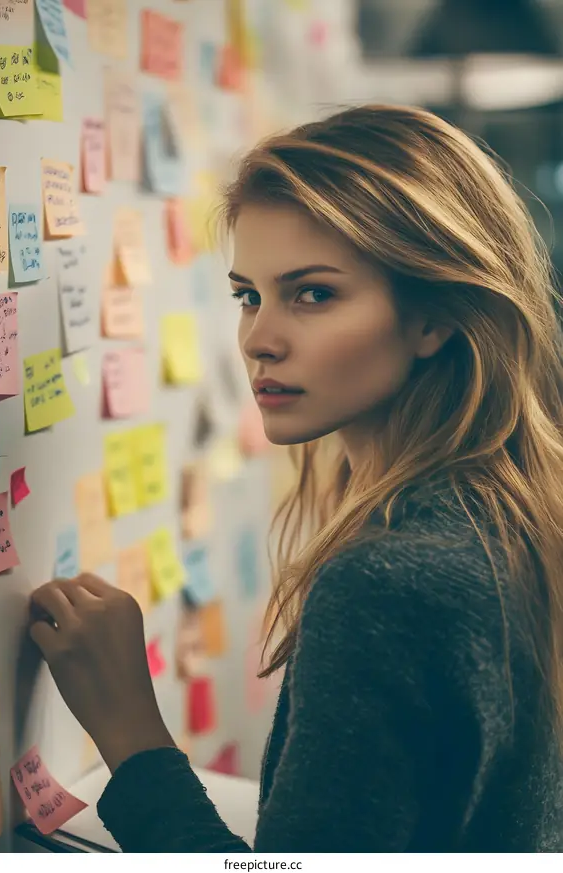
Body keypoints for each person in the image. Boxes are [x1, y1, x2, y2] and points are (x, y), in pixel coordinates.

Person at [30, 104, 563, 852]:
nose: (258, 339)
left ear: (433, 316)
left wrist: (131, 735)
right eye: (248, 294)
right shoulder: (513, 520)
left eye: (312, 293)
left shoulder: (393, 580)